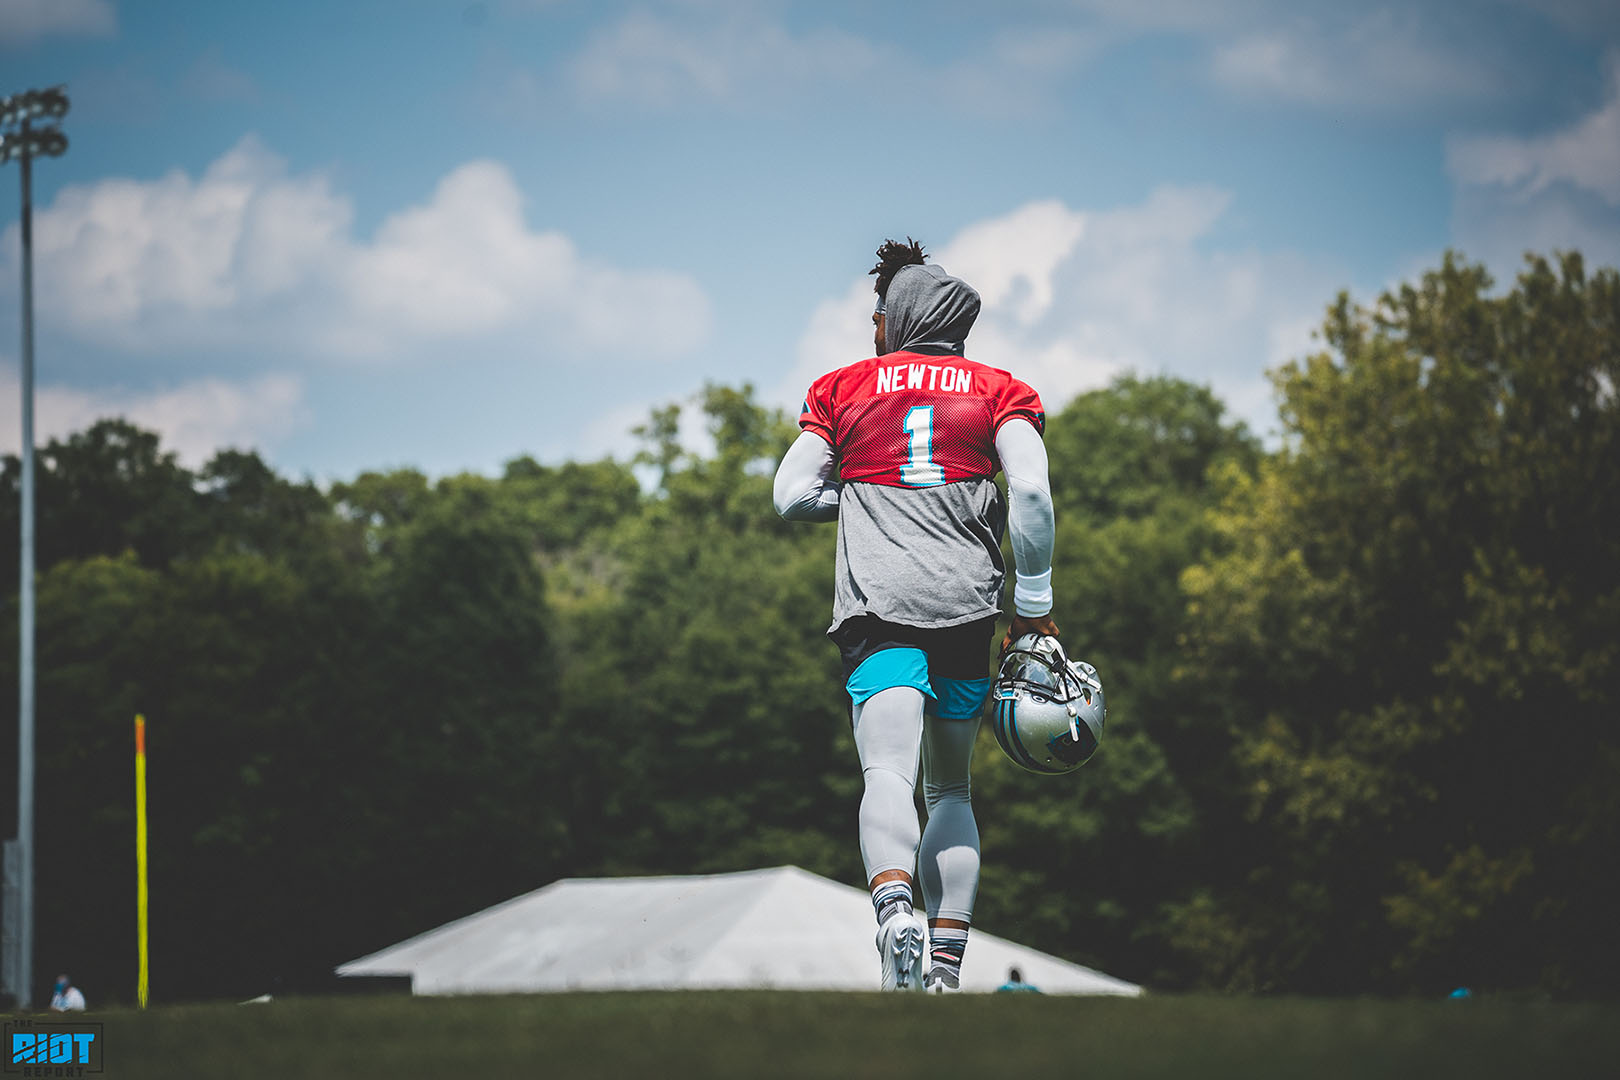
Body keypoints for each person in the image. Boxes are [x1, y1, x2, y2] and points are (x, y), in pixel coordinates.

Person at [774, 238, 1057, 993]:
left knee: (888, 772)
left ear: (899, 319)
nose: (872, 329)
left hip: (880, 605)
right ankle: (945, 967)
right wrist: (1034, 607)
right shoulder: (1000, 388)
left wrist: (867, 502)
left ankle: (894, 909)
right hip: (966, 608)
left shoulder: (842, 387)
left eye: (878, 316)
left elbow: (790, 494)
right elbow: (1029, 492)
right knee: (952, 791)